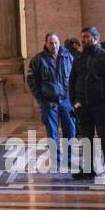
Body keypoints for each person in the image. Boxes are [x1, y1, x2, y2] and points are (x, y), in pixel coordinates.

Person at [69, 26, 105, 181]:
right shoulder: (79, 59)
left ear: (95, 38)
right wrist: (74, 102)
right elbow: (72, 82)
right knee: (86, 138)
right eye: (82, 37)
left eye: (86, 37)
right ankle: (89, 169)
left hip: (100, 105)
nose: (83, 40)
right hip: (82, 105)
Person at [26, 32, 75, 171]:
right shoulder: (38, 59)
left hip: (66, 101)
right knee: (52, 134)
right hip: (49, 102)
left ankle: (69, 159)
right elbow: (31, 81)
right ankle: (56, 161)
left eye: (56, 43)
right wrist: (41, 100)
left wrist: (74, 99)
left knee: (70, 131)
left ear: (59, 43)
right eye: (51, 43)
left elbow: (75, 78)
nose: (54, 46)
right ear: (46, 44)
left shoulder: (68, 57)